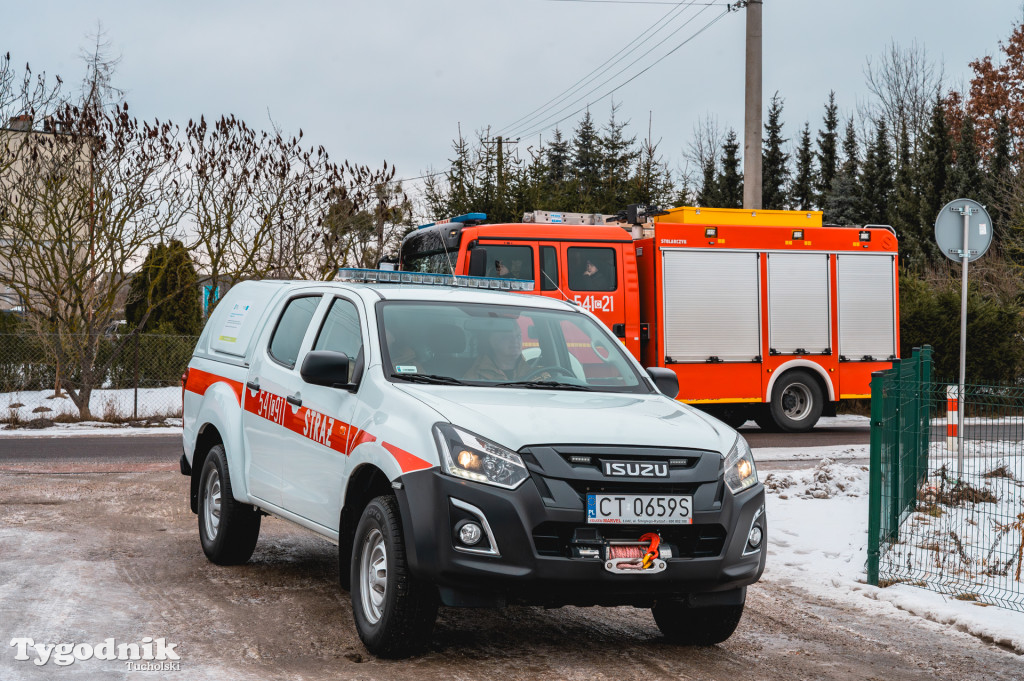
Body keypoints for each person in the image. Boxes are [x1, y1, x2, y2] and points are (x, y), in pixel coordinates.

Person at [465, 324, 548, 382]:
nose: (515, 341)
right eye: (507, 336)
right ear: (492, 341)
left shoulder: (538, 375)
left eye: (518, 336)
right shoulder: (474, 377)